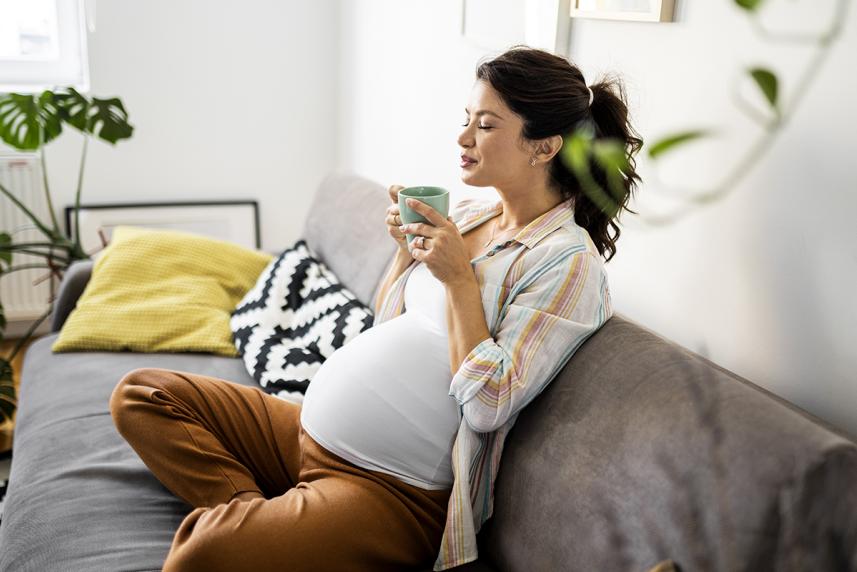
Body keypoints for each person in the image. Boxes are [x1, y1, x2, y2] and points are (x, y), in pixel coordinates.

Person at [109, 45, 642, 572]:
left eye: (485, 125)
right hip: (306, 436)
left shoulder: (567, 264)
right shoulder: (474, 216)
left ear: (543, 147)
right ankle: (267, 519)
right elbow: (386, 327)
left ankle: (273, 530)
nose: (462, 137)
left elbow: (490, 403)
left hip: (388, 489)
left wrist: (458, 278)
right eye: (466, 119)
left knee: (201, 555)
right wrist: (401, 256)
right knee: (142, 394)